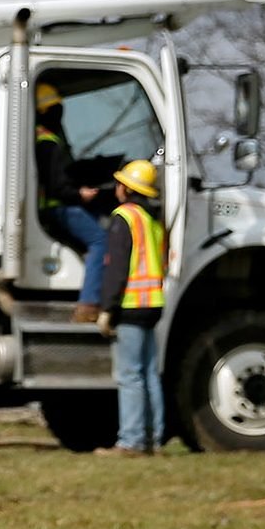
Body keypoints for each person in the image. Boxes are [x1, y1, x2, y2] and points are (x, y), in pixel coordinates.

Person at [96, 158, 172, 453]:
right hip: (153, 305)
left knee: (129, 376)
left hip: (130, 307)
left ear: (126, 189)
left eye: (120, 183)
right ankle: (154, 439)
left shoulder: (123, 219)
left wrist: (107, 309)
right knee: (150, 374)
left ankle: (131, 441)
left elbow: (116, 268)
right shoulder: (151, 222)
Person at [33, 82, 114, 318]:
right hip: (58, 209)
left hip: (50, 207)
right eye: (55, 109)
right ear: (47, 112)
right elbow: (58, 187)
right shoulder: (48, 143)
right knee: (100, 240)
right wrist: (80, 194)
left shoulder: (40, 138)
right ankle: (89, 304)